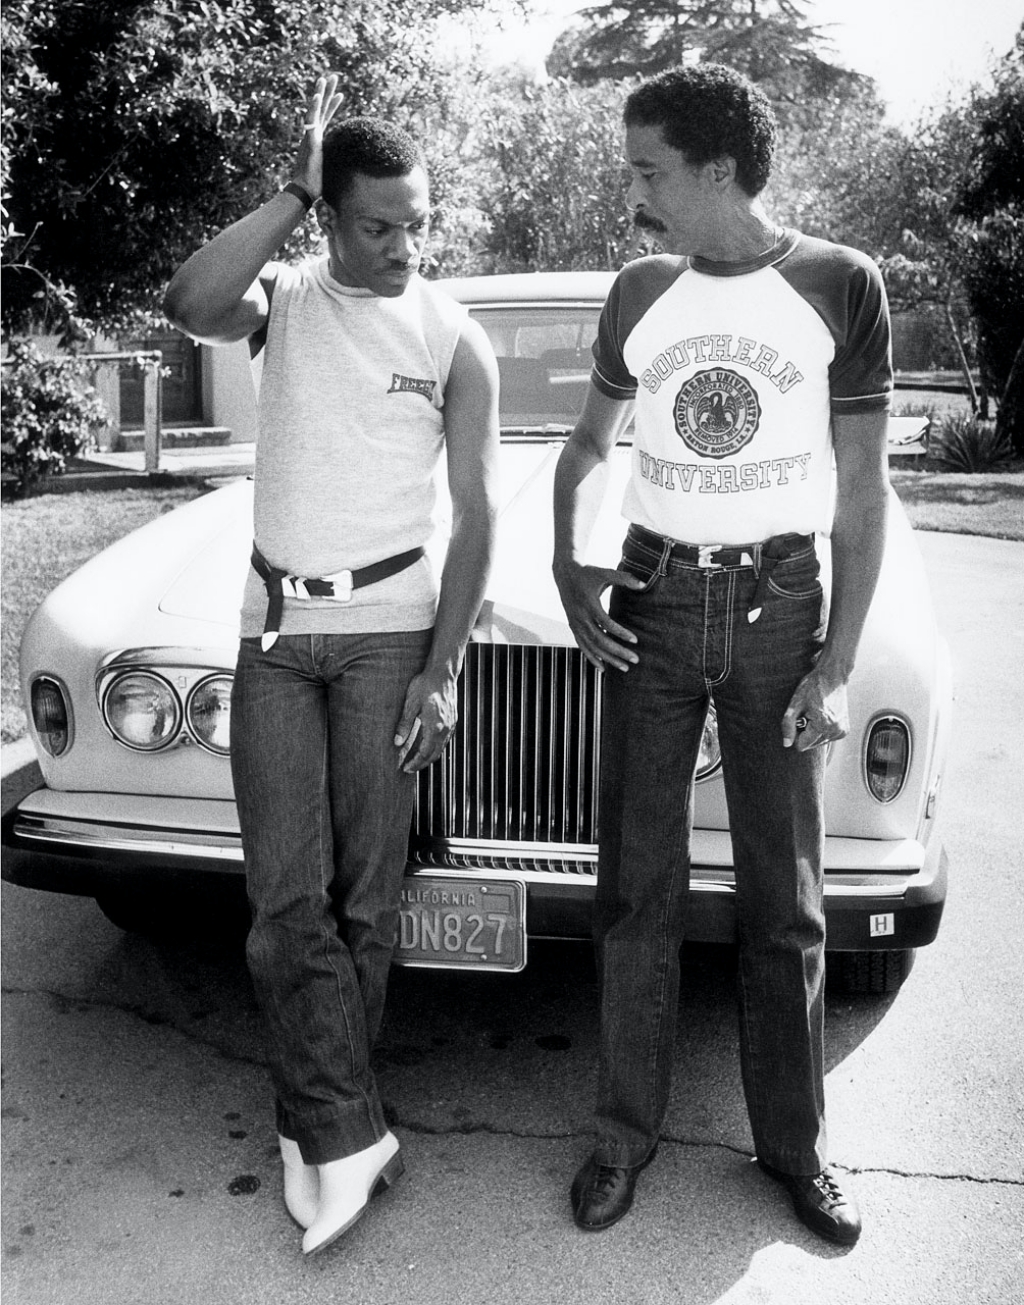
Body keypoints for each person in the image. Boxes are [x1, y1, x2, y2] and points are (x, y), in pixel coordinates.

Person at [552, 62, 893, 1246]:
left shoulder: (839, 284)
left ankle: (793, 1151)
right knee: (634, 890)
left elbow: (862, 490)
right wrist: (567, 558)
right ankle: (620, 1137)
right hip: (651, 599)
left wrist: (837, 662)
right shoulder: (640, 290)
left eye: (649, 169)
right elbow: (589, 448)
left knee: (782, 898)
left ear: (714, 168)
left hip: (777, 604)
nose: (634, 192)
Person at [163, 76, 499, 1256]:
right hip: (275, 637)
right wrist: (291, 193)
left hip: (391, 637)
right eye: (375, 223)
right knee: (280, 901)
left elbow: (478, 514)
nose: (404, 245)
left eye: (417, 221)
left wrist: (442, 668)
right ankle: (345, 1126)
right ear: (331, 212)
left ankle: (322, 1132)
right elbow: (187, 300)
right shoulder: (284, 299)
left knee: (365, 897)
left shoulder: (453, 336)